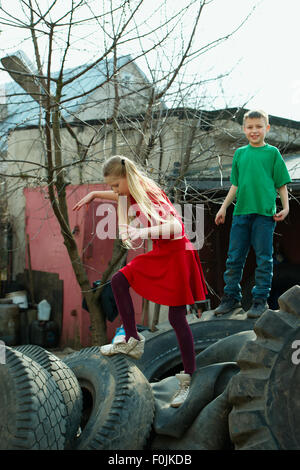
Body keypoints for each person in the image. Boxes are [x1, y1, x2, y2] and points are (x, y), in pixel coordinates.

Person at [73, 155, 207, 407]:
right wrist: (97, 195)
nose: (114, 190)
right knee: (119, 280)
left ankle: (189, 378)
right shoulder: (130, 191)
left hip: (176, 253)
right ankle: (132, 339)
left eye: (115, 185)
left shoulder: (149, 194)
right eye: (110, 186)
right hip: (162, 251)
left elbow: (176, 228)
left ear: (127, 178)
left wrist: (141, 231)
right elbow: (122, 196)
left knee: (176, 318)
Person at [214, 109, 291, 319]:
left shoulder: (272, 153)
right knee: (234, 257)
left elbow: (281, 183)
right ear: (244, 129)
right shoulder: (240, 154)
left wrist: (285, 207)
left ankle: (259, 301)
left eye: (259, 127)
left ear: (266, 128)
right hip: (241, 213)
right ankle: (231, 298)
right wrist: (223, 207)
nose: (254, 131)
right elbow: (235, 185)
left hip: (264, 214)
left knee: (264, 259)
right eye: (250, 127)